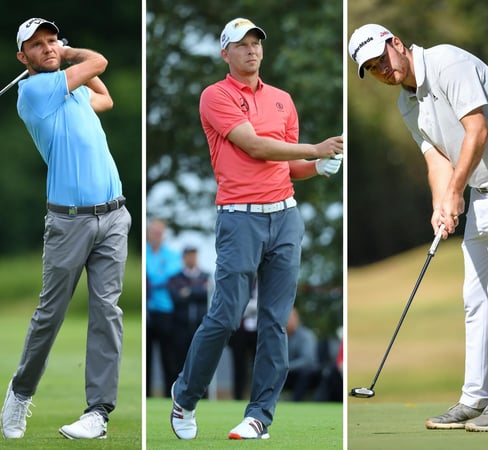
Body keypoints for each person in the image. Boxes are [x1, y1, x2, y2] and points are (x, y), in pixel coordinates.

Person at [349, 23, 488, 432]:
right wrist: (442, 203)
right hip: (481, 192)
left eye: (383, 58)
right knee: (475, 297)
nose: (383, 70)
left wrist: (456, 192)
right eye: (373, 69)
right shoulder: (407, 102)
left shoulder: (448, 62)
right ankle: (475, 398)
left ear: (396, 44)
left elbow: (478, 130)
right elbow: (437, 159)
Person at [169, 17, 343, 441]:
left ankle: (259, 416)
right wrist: (315, 148)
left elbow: (287, 164)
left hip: (285, 217)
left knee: (275, 321)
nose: (251, 50)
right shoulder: (216, 96)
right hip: (239, 218)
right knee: (226, 315)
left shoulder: (283, 100)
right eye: (241, 45)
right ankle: (186, 395)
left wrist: (318, 165)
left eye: (256, 43)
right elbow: (256, 146)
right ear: (225, 53)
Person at [0, 18, 131, 441]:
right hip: (68, 221)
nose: (49, 48)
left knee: (107, 312)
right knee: (50, 315)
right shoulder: (35, 91)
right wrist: (70, 54)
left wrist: (63, 61)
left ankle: (98, 412)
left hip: (114, 216)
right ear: (23, 58)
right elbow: (100, 62)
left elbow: (105, 98)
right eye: (37, 46)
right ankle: (20, 393)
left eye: (52, 40)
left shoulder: (68, 91)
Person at [146, 219, 183, 397]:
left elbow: (170, 274)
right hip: (148, 309)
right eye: (153, 232)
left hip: (165, 310)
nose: (156, 236)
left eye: (159, 233)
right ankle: (147, 393)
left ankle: (170, 393)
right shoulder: (146, 252)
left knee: (168, 355)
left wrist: (153, 280)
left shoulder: (171, 254)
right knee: (147, 356)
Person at [166, 246, 210, 381]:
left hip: (200, 325)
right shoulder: (175, 278)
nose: (192, 259)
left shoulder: (205, 276)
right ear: (184, 258)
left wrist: (189, 291)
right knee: (179, 361)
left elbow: (206, 294)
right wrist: (197, 291)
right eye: (189, 256)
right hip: (180, 326)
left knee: (201, 362)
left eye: (194, 255)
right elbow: (176, 298)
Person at [283, 307, 320, 401]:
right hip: (286, 372)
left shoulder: (306, 336)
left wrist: (286, 367)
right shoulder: (280, 337)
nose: (287, 321)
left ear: (297, 319)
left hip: (305, 373)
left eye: (289, 318)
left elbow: (307, 360)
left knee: (304, 373)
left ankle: (297, 402)